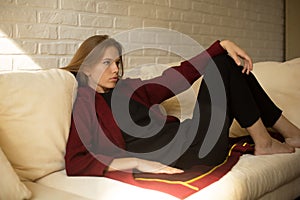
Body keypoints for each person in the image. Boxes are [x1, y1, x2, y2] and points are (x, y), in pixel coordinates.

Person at [63, 35, 300, 176]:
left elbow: (176, 77)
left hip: (193, 134)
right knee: (222, 64)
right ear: (86, 67)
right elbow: (76, 162)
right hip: (192, 152)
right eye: (106, 63)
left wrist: (221, 44)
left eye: (117, 62)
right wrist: (136, 162)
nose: (115, 69)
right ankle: (269, 140)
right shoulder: (85, 103)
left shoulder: (127, 88)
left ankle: (286, 134)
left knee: (225, 61)